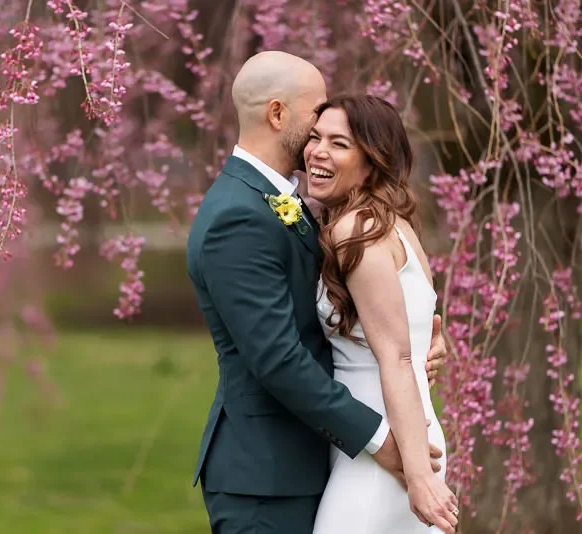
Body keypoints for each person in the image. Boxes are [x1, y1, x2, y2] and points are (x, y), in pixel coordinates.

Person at [186, 50, 453, 534]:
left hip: (312, 462)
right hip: (266, 478)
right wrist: (383, 442)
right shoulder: (237, 216)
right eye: (316, 116)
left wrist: (415, 348)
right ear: (277, 114)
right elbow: (278, 359)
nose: (318, 139)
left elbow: (344, 310)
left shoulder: (291, 203)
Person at [307, 94, 456, 534]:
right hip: (385, 439)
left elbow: (397, 357)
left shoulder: (359, 232)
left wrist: (417, 476)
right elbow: (421, 326)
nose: (317, 151)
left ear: (372, 162)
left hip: (389, 449)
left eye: (338, 143)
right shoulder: (393, 223)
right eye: (315, 138)